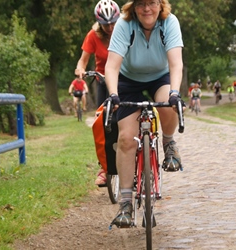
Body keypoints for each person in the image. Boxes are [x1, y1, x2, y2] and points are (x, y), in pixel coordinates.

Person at [104, 0, 184, 227]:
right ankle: (126, 204)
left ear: (160, 4)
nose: (146, 9)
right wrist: (112, 94)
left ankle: (168, 144)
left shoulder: (169, 23)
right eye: (141, 3)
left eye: (152, 3)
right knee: (126, 138)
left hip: (160, 77)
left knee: (168, 102)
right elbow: (112, 66)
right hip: (129, 81)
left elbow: (176, 64)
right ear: (133, 6)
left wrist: (175, 93)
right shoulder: (123, 24)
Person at [74, 0, 120, 186]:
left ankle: (138, 157)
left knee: (128, 118)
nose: (110, 27)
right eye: (105, 23)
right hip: (103, 80)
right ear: (99, 22)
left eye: (113, 22)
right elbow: (82, 61)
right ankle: (104, 167)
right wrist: (80, 70)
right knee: (102, 123)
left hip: (125, 79)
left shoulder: (125, 30)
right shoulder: (93, 35)